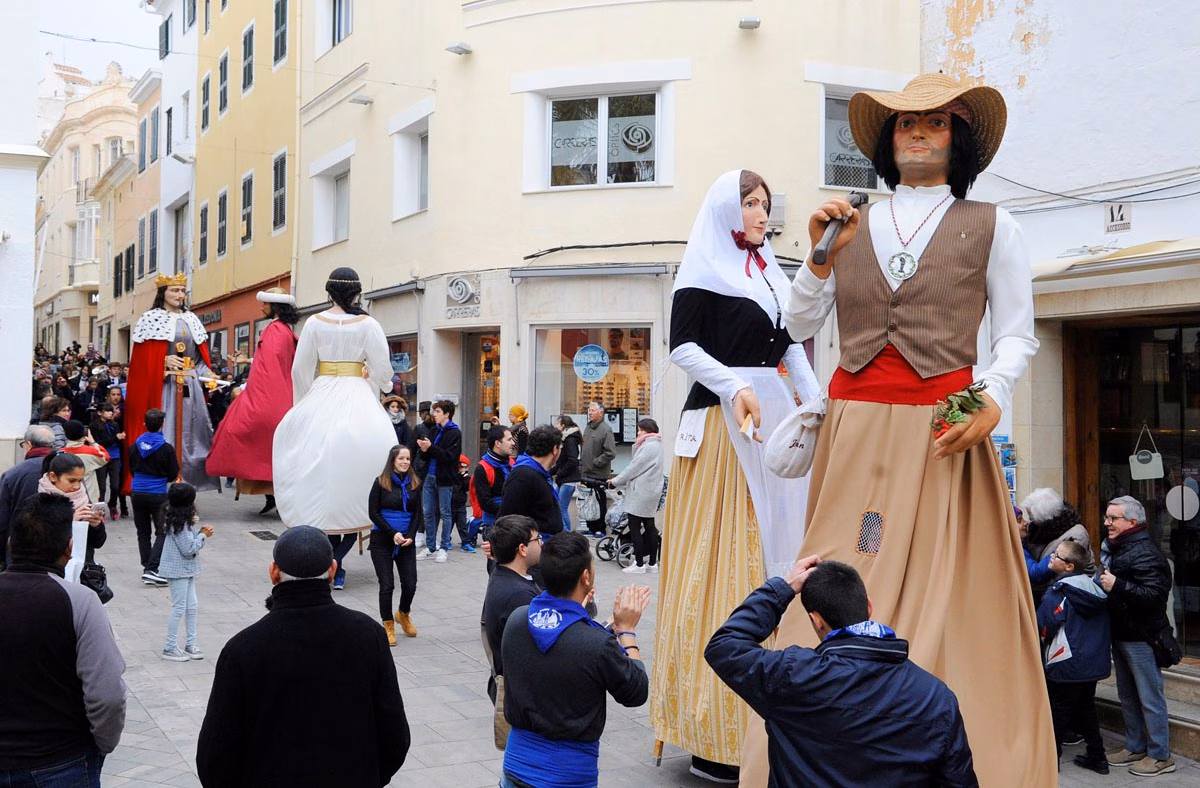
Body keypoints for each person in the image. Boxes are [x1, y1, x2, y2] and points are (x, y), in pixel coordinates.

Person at [744, 74, 1054, 787]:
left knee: (955, 585)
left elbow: (1017, 335)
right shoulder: (847, 222)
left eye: (937, 121)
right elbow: (794, 326)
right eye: (905, 121)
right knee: (842, 565)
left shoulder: (995, 225)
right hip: (855, 427)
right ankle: (813, 735)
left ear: (959, 138)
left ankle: (950, 738)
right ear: (887, 139)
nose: (917, 131)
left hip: (946, 430)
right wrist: (820, 252)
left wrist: (992, 395)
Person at [654, 169, 817, 784]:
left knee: (782, 546)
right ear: (726, 208)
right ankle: (716, 731)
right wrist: (736, 382)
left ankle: (781, 713)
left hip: (774, 414)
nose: (760, 213)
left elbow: (791, 346)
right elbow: (682, 346)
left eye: (766, 204)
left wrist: (815, 401)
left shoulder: (772, 273)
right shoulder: (701, 268)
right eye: (750, 203)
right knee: (727, 558)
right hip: (726, 420)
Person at [706, 556, 975, 787]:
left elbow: (725, 646)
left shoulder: (792, 677)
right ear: (869, 607)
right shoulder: (936, 698)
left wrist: (784, 588)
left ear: (816, 620)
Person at [196, 525, 410, 787]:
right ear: (332, 570)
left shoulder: (243, 649)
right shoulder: (368, 635)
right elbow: (394, 735)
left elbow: (216, 756)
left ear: (273, 572)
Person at [271, 268, 397, 590]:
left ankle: (324, 557)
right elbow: (384, 370)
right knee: (367, 471)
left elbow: (300, 369)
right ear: (357, 293)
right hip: (358, 394)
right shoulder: (368, 324)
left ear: (328, 292)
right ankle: (338, 560)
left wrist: (304, 404)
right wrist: (378, 384)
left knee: (313, 475)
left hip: (322, 392)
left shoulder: (314, 323)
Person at [499, 531, 650, 788]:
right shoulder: (596, 644)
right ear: (586, 577)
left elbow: (561, 647)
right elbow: (636, 691)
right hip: (567, 776)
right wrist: (626, 632)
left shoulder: (517, 620)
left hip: (515, 766)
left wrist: (596, 628)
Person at [0, 493, 126, 786]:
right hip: (60, 762)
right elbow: (107, 695)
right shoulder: (80, 602)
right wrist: (102, 744)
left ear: (10, 543)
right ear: (69, 549)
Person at [1098, 495, 1175, 776]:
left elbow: (1155, 596)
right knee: (1128, 695)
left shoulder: (1147, 553)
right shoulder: (1118, 548)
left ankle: (1160, 756)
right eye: (1106, 517)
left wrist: (1118, 585)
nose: (1106, 523)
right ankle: (1135, 746)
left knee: (1149, 697)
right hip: (1122, 632)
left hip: (1142, 637)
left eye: (1113, 518)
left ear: (1133, 521)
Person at [122, 272, 219, 493]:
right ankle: (161, 485)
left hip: (190, 389)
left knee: (191, 437)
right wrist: (162, 361)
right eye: (175, 290)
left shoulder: (191, 319)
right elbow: (140, 362)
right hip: (163, 389)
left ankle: (186, 485)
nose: (180, 295)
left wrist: (208, 374)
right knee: (167, 433)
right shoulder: (150, 319)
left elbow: (198, 360)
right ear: (163, 293)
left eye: (182, 291)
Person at [206, 288, 299, 515]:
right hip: (282, 395)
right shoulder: (285, 330)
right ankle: (272, 495)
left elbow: (267, 370)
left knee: (233, 431)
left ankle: (272, 494)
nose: (261, 307)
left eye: (265, 303)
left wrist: (250, 393)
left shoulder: (274, 331)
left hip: (269, 397)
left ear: (274, 306)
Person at [1036, 539, 1111, 775]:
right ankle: (1097, 756)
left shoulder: (1058, 592)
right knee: (1086, 707)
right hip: (1092, 662)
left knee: (1059, 711)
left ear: (1069, 566)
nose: (1051, 558)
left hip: (1065, 661)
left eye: (1057, 556)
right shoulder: (1096, 589)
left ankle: (1050, 762)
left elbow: (1044, 625)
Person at [481, 515, 542, 708]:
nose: (541, 543)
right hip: (523, 696)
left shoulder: (502, 573)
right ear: (522, 549)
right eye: (537, 539)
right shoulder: (519, 596)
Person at [367, 445, 423, 645]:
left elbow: (418, 513)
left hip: (406, 540)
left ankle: (403, 613)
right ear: (393, 461)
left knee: (410, 584)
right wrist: (393, 533)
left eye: (408, 459)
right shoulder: (380, 482)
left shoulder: (415, 483)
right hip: (382, 540)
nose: (405, 462)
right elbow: (373, 513)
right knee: (387, 585)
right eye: (401, 458)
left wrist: (410, 535)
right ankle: (388, 624)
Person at [157, 483, 213, 662]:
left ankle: (191, 643)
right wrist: (203, 535)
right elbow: (188, 548)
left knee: (192, 606)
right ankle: (170, 647)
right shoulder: (177, 524)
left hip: (187, 570)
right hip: (177, 570)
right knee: (179, 607)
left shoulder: (181, 519)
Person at [130, 408, 180, 587]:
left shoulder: (135, 445)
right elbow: (173, 472)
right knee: (162, 531)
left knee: (142, 532)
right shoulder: (166, 448)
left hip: (137, 491)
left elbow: (130, 467)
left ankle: (146, 566)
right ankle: (152, 568)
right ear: (162, 425)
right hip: (157, 492)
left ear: (145, 424)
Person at [608, 417, 663, 574]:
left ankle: (638, 563)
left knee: (635, 527)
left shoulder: (648, 447)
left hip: (641, 492)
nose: (637, 433)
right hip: (651, 491)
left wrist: (615, 481)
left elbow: (633, 468)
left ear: (646, 430)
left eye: (639, 430)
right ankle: (652, 563)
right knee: (649, 527)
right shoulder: (657, 445)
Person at [1021, 487, 1095, 602]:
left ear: (1044, 519)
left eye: (1031, 517)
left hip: (1066, 597)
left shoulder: (1075, 535)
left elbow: (1039, 574)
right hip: (1044, 594)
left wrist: (1019, 548)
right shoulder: (1035, 529)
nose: (1028, 520)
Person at [0, 425, 57, 568]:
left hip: (20, 549)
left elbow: (2, 517)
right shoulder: (67, 469)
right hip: (58, 546)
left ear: (29, 444)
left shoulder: (13, 474)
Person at [415, 399, 463, 563]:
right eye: (433, 411)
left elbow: (449, 457)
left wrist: (430, 448)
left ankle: (444, 547)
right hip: (429, 476)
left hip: (445, 479)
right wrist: (423, 449)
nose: (433, 414)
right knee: (428, 511)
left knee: (445, 512)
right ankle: (430, 547)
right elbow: (426, 455)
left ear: (446, 414)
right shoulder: (434, 430)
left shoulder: (455, 433)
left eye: (437, 412)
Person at [498, 424, 564, 538]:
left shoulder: (538, 473)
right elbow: (507, 520)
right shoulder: (523, 476)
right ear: (555, 449)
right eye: (560, 448)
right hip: (531, 547)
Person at [579, 401, 616, 537]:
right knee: (588, 501)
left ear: (601, 413)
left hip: (598, 473)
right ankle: (591, 527)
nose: (589, 412)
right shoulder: (588, 427)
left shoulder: (606, 429)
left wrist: (596, 462)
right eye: (589, 410)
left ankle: (600, 528)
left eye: (593, 410)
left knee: (599, 502)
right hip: (586, 472)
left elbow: (610, 452)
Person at [89, 403, 125, 519]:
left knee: (115, 485)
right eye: (107, 411)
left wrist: (120, 439)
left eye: (111, 411)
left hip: (115, 456)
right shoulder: (94, 426)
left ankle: (113, 504)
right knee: (101, 486)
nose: (110, 413)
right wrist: (116, 438)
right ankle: (101, 508)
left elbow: (118, 441)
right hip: (101, 456)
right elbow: (99, 443)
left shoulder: (115, 424)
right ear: (100, 412)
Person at [62, 420, 110, 504]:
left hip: (66, 495)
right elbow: (106, 457)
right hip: (89, 496)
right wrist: (93, 442)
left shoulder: (60, 453)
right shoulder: (91, 452)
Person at [552, 415, 582, 532]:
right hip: (564, 479)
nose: (555, 426)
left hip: (568, 480)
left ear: (563, 425)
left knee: (561, 508)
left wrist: (559, 473)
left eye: (557, 424)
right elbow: (561, 461)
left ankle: (567, 533)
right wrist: (551, 472)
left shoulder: (570, 440)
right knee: (559, 507)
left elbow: (572, 461)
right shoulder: (565, 440)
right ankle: (564, 532)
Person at [452, 454, 473, 552]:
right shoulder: (452, 475)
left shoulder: (465, 477)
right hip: (451, 504)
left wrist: (465, 476)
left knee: (462, 525)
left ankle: (466, 542)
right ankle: (446, 540)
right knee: (449, 525)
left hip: (460, 504)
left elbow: (467, 487)